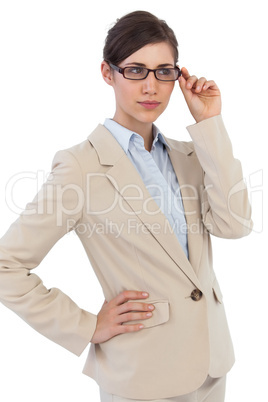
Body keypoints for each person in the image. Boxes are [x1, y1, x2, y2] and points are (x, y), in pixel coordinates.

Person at [0, 10, 252, 402]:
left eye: (163, 71)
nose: (151, 86)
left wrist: (210, 125)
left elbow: (235, 225)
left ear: (177, 77)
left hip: (212, 367)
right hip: (142, 376)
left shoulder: (191, 155)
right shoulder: (80, 167)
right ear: (108, 72)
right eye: (135, 70)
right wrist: (85, 326)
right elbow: (6, 265)